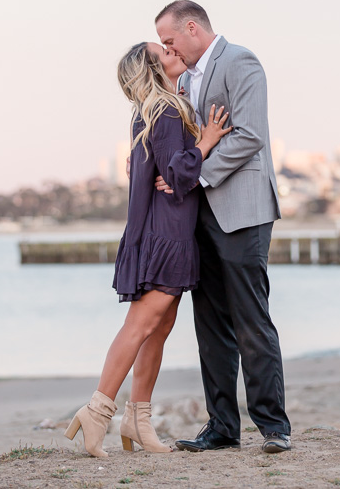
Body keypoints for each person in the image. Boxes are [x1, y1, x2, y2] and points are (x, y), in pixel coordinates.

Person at [64, 41, 230, 457]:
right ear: (157, 68)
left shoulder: (151, 110)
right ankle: (97, 411)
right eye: (165, 51)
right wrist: (206, 142)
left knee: (159, 328)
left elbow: (160, 169)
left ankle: (137, 420)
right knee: (140, 327)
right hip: (167, 233)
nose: (174, 50)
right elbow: (176, 171)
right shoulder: (168, 109)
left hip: (165, 228)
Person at [153, 0, 292, 454]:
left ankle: (273, 427)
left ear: (192, 28)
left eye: (170, 40)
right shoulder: (184, 80)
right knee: (210, 323)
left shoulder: (241, 61)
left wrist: (197, 175)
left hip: (242, 209)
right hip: (198, 215)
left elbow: (250, 135)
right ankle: (222, 428)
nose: (167, 49)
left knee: (251, 318)